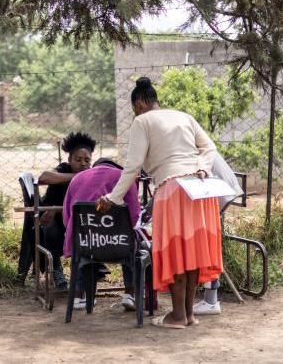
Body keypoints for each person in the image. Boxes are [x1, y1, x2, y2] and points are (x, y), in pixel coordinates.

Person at [96, 77, 223, 329]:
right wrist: (202, 167)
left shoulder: (142, 121)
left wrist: (113, 197)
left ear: (139, 104)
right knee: (192, 252)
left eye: (135, 109)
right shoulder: (184, 116)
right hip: (199, 188)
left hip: (172, 188)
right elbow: (209, 147)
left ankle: (177, 316)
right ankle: (188, 315)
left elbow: (133, 167)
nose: (136, 113)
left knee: (176, 252)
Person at [62, 157, 140, 311]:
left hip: (86, 245)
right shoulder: (124, 178)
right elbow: (134, 216)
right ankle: (130, 294)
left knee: (81, 237)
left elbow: (67, 217)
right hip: (118, 244)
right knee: (131, 238)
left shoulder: (77, 178)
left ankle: (78, 296)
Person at [26, 132, 95, 289]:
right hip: (54, 219)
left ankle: (91, 268)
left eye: (87, 160)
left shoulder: (92, 175)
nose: (83, 163)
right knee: (50, 228)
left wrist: (57, 209)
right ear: (69, 159)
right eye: (78, 159)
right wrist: (77, 177)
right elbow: (43, 178)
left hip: (76, 218)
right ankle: (56, 268)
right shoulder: (63, 169)